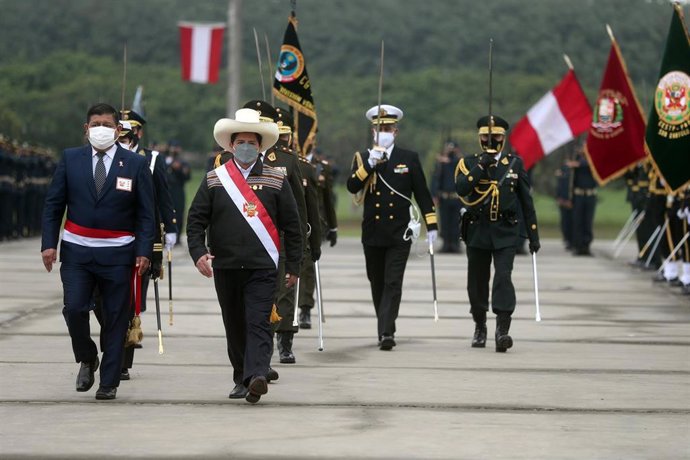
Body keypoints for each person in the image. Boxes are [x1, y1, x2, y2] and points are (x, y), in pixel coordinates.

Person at [186, 108, 302, 404]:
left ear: (260, 146)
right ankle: (241, 377)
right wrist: (198, 252)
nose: (246, 147)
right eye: (241, 142)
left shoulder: (277, 179)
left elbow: (293, 226)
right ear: (231, 145)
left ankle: (257, 375)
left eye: (252, 142)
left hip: (263, 266)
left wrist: (294, 265)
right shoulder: (215, 179)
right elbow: (196, 219)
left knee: (258, 320)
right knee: (234, 323)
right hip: (225, 265)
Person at [41, 103, 155, 400]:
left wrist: (144, 250)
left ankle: (109, 381)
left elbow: (146, 213)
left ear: (118, 130)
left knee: (116, 317)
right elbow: (54, 204)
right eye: (95, 124)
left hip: (119, 253)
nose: (101, 129)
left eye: (107, 124)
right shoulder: (70, 159)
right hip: (78, 250)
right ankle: (88, 356)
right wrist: (49, 243)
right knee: (75, 308)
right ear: (86, 128)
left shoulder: (135, 164)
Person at [346, 104, 437, 350]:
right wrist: (369, 166)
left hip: (400, 233)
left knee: (393, 282)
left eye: (387, 128)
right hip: (373, 233)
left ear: (395, 131)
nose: (383, 132)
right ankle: (383, 324)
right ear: (373, 132)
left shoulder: (408, 158)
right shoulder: (364, 157)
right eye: (379, 128)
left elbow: (422, 193)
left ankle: (387, 331)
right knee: (376, 281)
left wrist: (432, 225)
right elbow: (352, 186)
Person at [455, 115, 539, 352]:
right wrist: (481, 165)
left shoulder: (515, 164)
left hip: (505, 232)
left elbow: (526, 202)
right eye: (485, 136)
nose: (490, 141)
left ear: (504, 138)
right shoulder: (469, 162)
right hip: (477, 231)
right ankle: (480, 325)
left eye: (496, 137)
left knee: (503, 277)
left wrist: (533, 235)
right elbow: (461, 188)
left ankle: (503, 329)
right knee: (477, 283)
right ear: (479, 137)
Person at [116, 111, 178, 378]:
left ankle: (124, 354)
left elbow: (162, 196)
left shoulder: (151, 159)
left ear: (136, 135)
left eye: (127, 137)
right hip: (112, 235)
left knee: (133, 296)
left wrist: (171, 228)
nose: (124, 142)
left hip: (144, 234)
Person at [300, 141, 338, 329]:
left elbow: (327, 199)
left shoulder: (321, 167)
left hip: (313, 224)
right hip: (290, 223)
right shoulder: (287, 161)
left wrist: (333, 227)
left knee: (307, 267)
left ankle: (305, 308)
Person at [431, 140, 463, 253]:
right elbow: (435, 179)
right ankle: (446, 244)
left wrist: (448, 160)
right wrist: (434, 194)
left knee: (456, 222)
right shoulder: (441, 164)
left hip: (457, 198)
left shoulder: (460, 163)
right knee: (445, 222)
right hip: (444, 197)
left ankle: (455, 244)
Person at [566, 145, 597, 256]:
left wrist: (578, 163)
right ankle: (578, 246)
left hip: (590, 195)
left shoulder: (592, 159)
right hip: (578, 195)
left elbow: (591, 165)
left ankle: (586, 246)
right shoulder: (577, 159)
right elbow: (570, 180)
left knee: (587, 222)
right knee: (577, 221)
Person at [164, 139, 190, 244]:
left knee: (179, 213)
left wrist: (178, 169)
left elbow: (187, 176)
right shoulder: (163, 160)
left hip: (178, 190)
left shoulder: (183, 162)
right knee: (166, 213)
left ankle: (178, 237)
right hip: (166, 190)